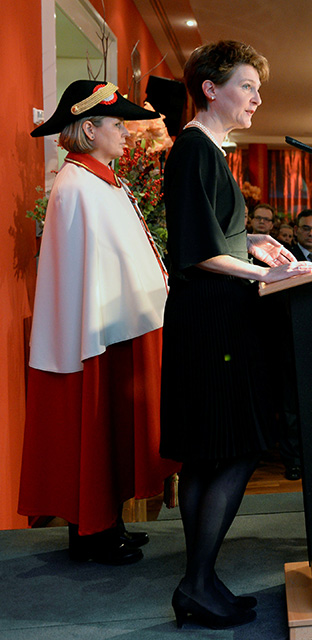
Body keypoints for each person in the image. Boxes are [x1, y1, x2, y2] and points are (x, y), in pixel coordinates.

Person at [160, 41, 312, 630]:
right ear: (211, 88)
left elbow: (212, 233)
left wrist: (250, 239)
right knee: (231, 448)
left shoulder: (203, 151)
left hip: (212, 317)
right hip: (214, 321)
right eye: (248, 86)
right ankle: (196, 581)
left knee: (211, 452)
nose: (257, 97)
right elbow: (196, 252)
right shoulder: (194, 150)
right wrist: (271, 271)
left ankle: (199, 581)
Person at [19, 79, 179, 566]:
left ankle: (111, 522)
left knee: (113, 434)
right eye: (118, 125)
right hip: (94, 334)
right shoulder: (79, 186)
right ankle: (93, 532)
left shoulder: (101, 179)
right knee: (94, 431)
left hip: (116, 324)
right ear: (89, 128)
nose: (127, 134)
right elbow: (85, 272)